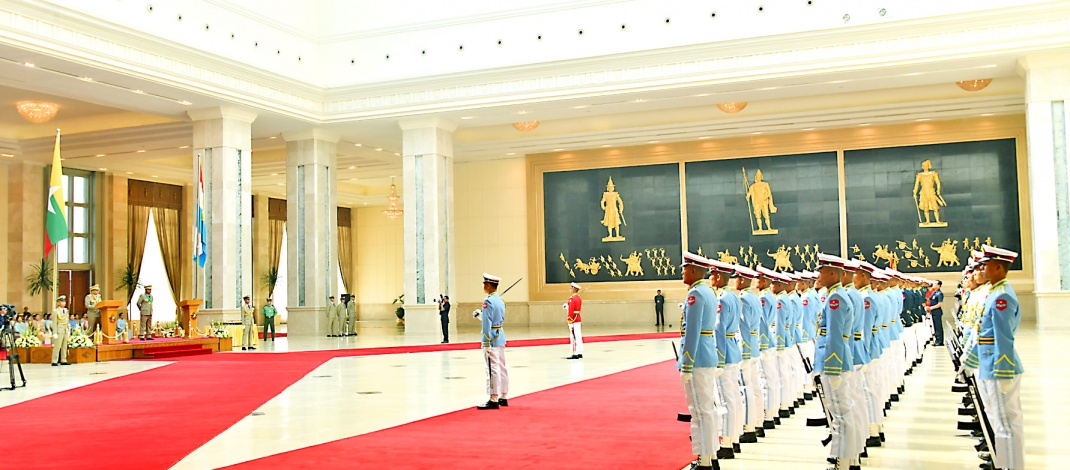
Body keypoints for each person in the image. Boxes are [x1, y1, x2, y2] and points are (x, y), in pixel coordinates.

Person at [963, 245, 1024, 470]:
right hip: (989, 364)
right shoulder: (996, 292)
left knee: (1007, 424)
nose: (983, 269)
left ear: (998, 267)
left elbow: (1003, 338)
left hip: (999, 368)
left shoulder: (1002, 296)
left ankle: (1011, 466)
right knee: (1000, 422)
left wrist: (1003, 371)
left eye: (987, 265)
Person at [813, 254, 859, 470]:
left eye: (822, 270)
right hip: (837, 363)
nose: (818, 274)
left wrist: (831, 369)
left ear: (833, 272)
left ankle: (842, 462)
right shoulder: (836, 296)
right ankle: (847, 459)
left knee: (841, 415)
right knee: (842, 413)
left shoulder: (836, 299)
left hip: (836, 365)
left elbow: (834, 336)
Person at [677, 252, 720, 470]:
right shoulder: (709, 292)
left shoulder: (696, 295)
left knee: (699, 411)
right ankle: (711, 456)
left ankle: (703, 462)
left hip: (697, 359)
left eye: (685, 268)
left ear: (694, 270)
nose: (682, 271)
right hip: (707, 354)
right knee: (708, 409)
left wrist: (686, 363)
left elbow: (691, 332)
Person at [709, 260, 742, 459]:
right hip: (733, 348)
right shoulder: (733, 297)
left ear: (719, 277)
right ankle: (735, 437)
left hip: (725, 352)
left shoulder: (722, 298)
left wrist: (719, 359)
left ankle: (727, 443)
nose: (711, 278)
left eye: (712, 275)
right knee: (734, 398)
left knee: (725, 400)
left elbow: (719, 330)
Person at [733, 265, 763, 443]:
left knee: (746, 389)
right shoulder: (754, 297)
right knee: (754, 386)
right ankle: (757, 422)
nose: (734, 281)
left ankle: (749, 427)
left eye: (736, 278)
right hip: (754, 345)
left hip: (746, 347)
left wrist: (742, 351)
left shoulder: (743, 299)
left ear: (742, 280)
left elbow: (743, 327)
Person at [475, 273, 509, 410]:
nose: (484, 286)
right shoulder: (501, 300)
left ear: (488, 285)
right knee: (502, 367)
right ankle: (504, 396)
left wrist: (486, 342)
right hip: (500, 335)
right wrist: (481, 316)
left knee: (492, 368)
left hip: (492, 338)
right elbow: (495, 319)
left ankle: (493, 397)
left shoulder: (488, 301)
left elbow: (487, 324)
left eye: (484, 284)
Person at [51, 296, 71, 366]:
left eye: (64, 301)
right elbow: (54, 322)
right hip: (59, 329)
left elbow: (67, 321)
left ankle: (63, 359)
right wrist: (55, 332)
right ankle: (54, 360)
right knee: (57, 346)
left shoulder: (66, 311)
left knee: (64, 346)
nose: (64, 303)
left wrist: (68, 330)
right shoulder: (55, 311)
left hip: (65, 329)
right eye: (62, 301)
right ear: (58, 303)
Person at [565, 282, 584, 359]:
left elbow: (571, 311)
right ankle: (580, 352)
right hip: (578, 318)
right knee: (578, 335)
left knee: (573, 336)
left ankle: (575, 353)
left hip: (573, 319)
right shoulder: (578, 298)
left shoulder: (572, 299)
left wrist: (570, 319)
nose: (570, 289)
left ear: (573, 289)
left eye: (571, 288)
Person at [926, 280, 945, 346]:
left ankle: (940, 341)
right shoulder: (934, 292)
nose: (933, 285)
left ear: (938, 285)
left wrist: (931, 308)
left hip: (937, 312)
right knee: (935, 327)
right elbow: (928, 299)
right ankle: (937, 340)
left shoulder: (939, 293)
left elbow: (940, 304)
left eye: (935, 284)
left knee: (938, 326)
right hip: (933, 312)